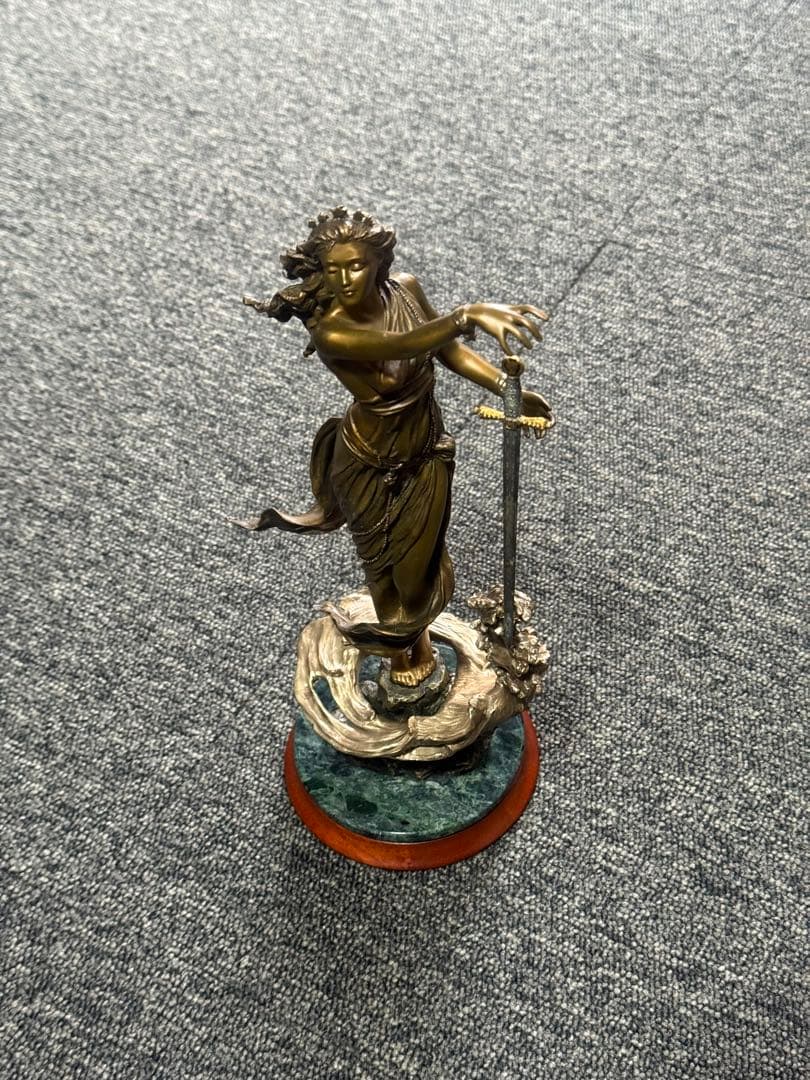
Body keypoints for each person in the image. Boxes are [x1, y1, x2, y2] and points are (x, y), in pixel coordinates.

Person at [239, 207, 551, 687]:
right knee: (383, 568)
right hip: (368, 462)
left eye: (356, 265)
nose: (345, 279)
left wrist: (505, 389)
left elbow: (446, 350)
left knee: (418, 572)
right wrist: (465, 315)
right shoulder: (331, 330)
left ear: (379, 264)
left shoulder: (404, 289)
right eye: (333, 269)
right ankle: (404, 655)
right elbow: (403, 345)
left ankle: (406, 639)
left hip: (424, 447)